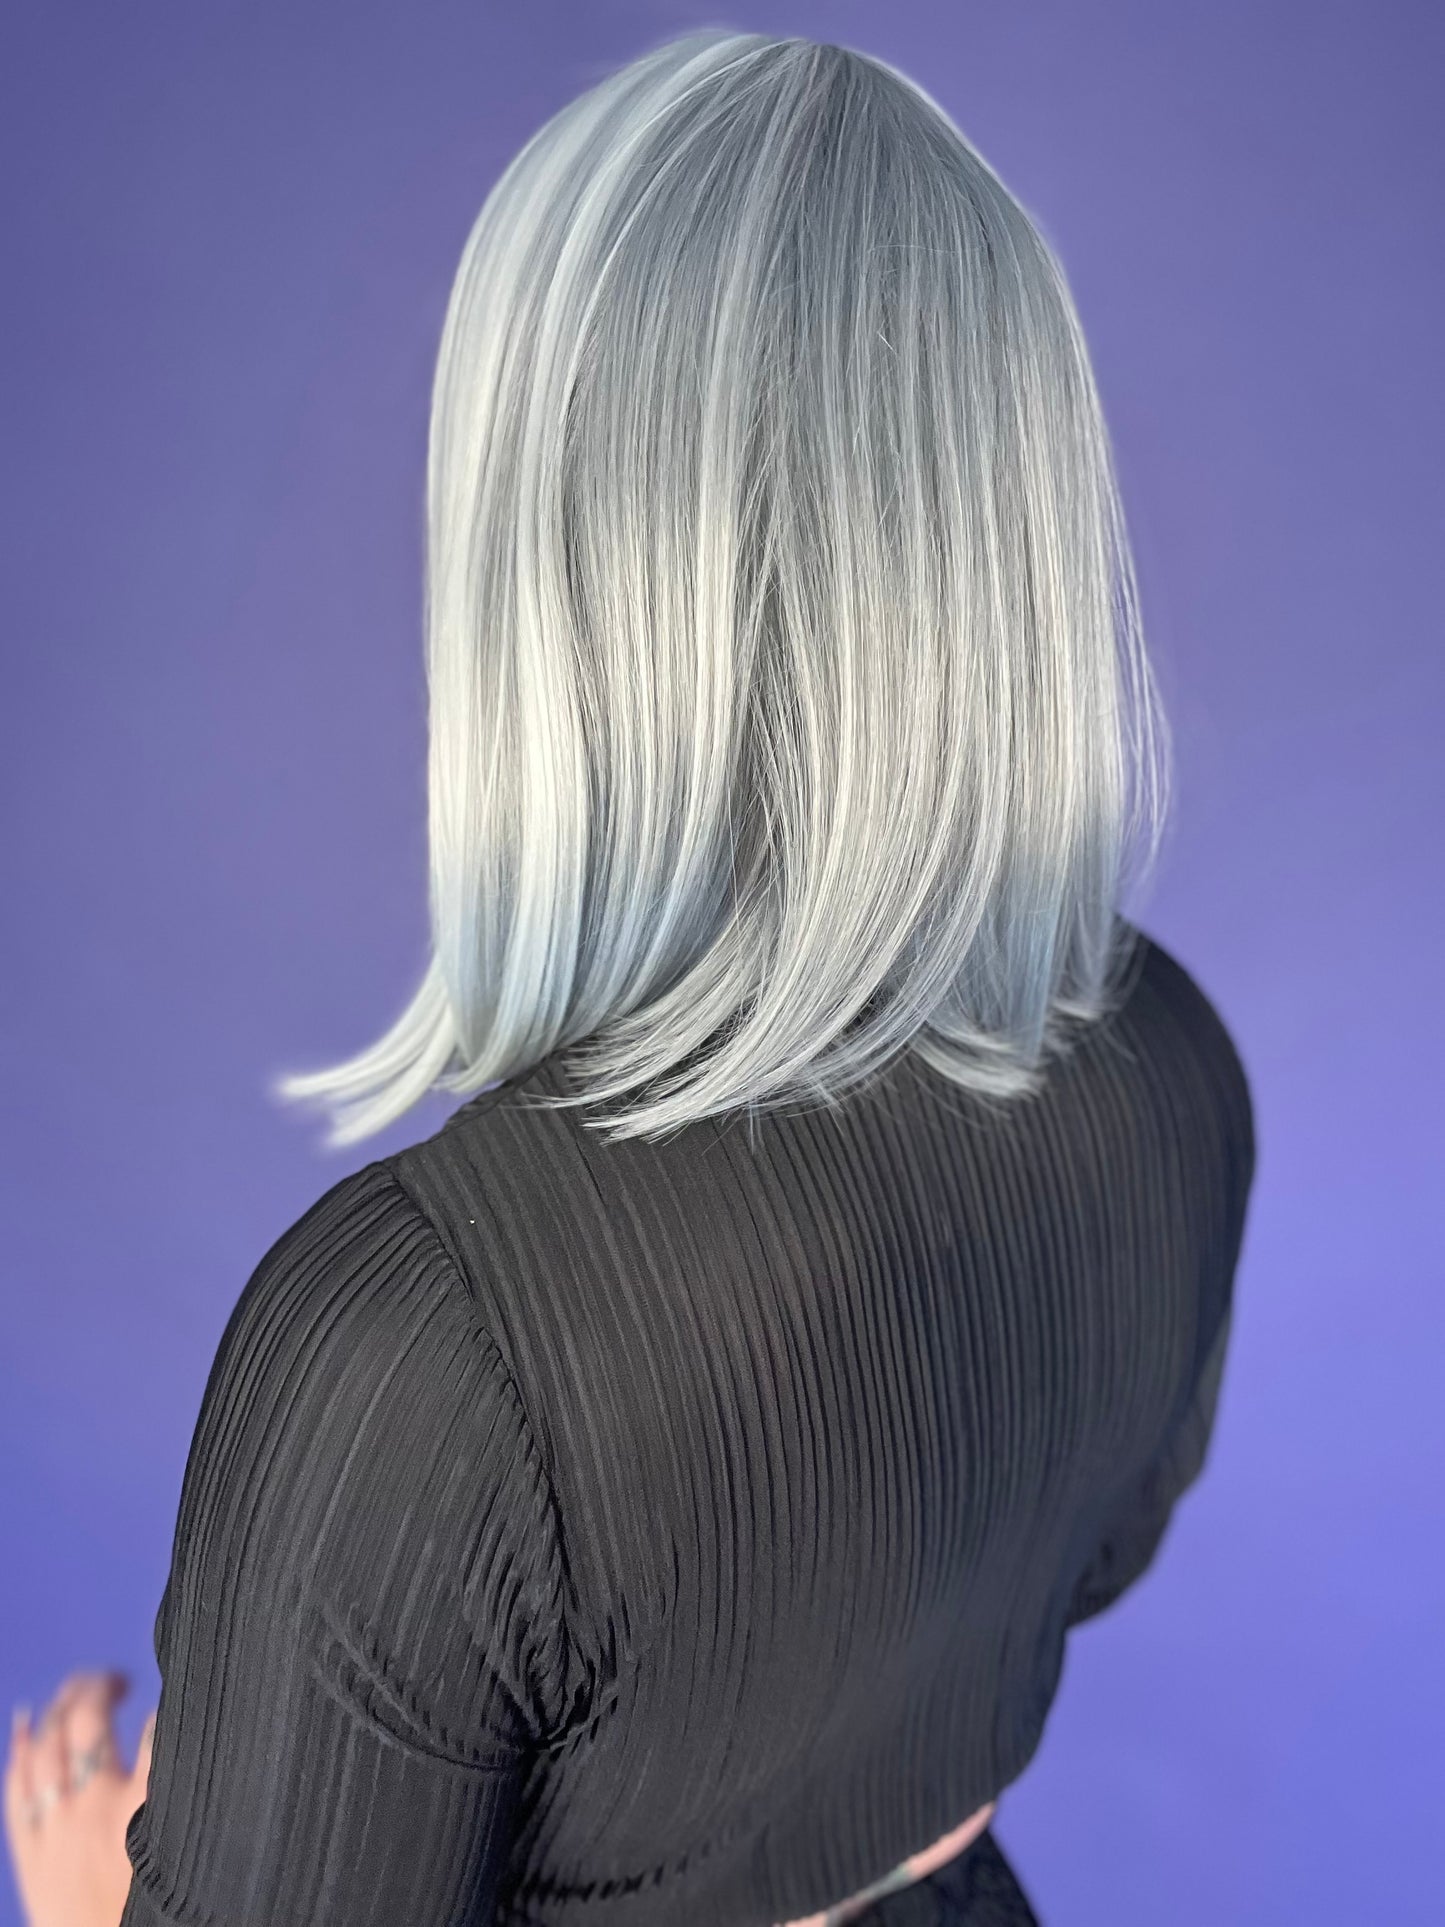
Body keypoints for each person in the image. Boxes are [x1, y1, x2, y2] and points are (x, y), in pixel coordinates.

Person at [3, 28, 1256, 1927]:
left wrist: (101, 1896)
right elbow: (1078, 1566)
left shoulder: (414, 1356)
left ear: (538, 540)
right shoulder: (1171, 1063)